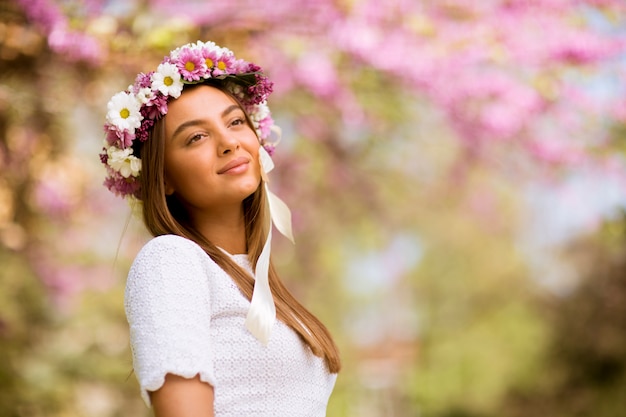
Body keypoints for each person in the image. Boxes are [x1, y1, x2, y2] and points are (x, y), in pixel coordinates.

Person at [100, 40, 341, 416]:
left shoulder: (254, 278)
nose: (228, 143)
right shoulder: (171, 261)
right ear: (163, 178)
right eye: (196, 137)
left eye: (235, 122)